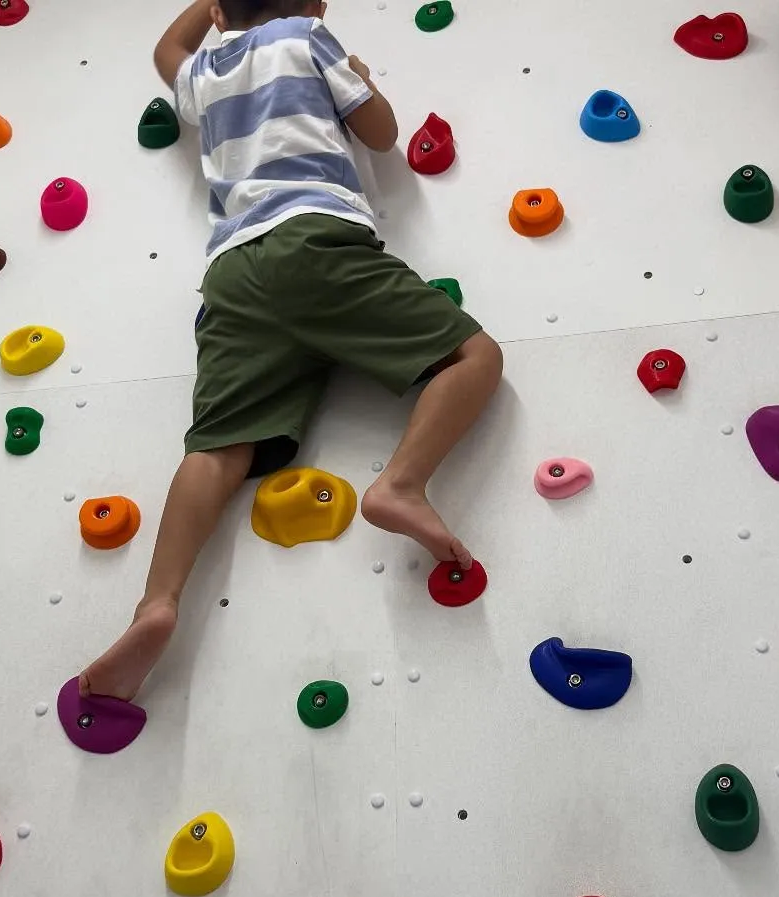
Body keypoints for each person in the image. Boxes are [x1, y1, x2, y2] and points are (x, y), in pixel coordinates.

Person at [78, 0, 502, 701]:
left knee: (216, 447)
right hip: (317, 241)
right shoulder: (307, 37)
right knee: (473, 358)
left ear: (218, 11)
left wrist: (208, 14)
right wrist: (360, 75)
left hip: (234, 274)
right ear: (315, 4)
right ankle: (401, 482)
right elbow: (383, 133)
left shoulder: (206, 68)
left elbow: (166, 48)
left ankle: (157, 601)